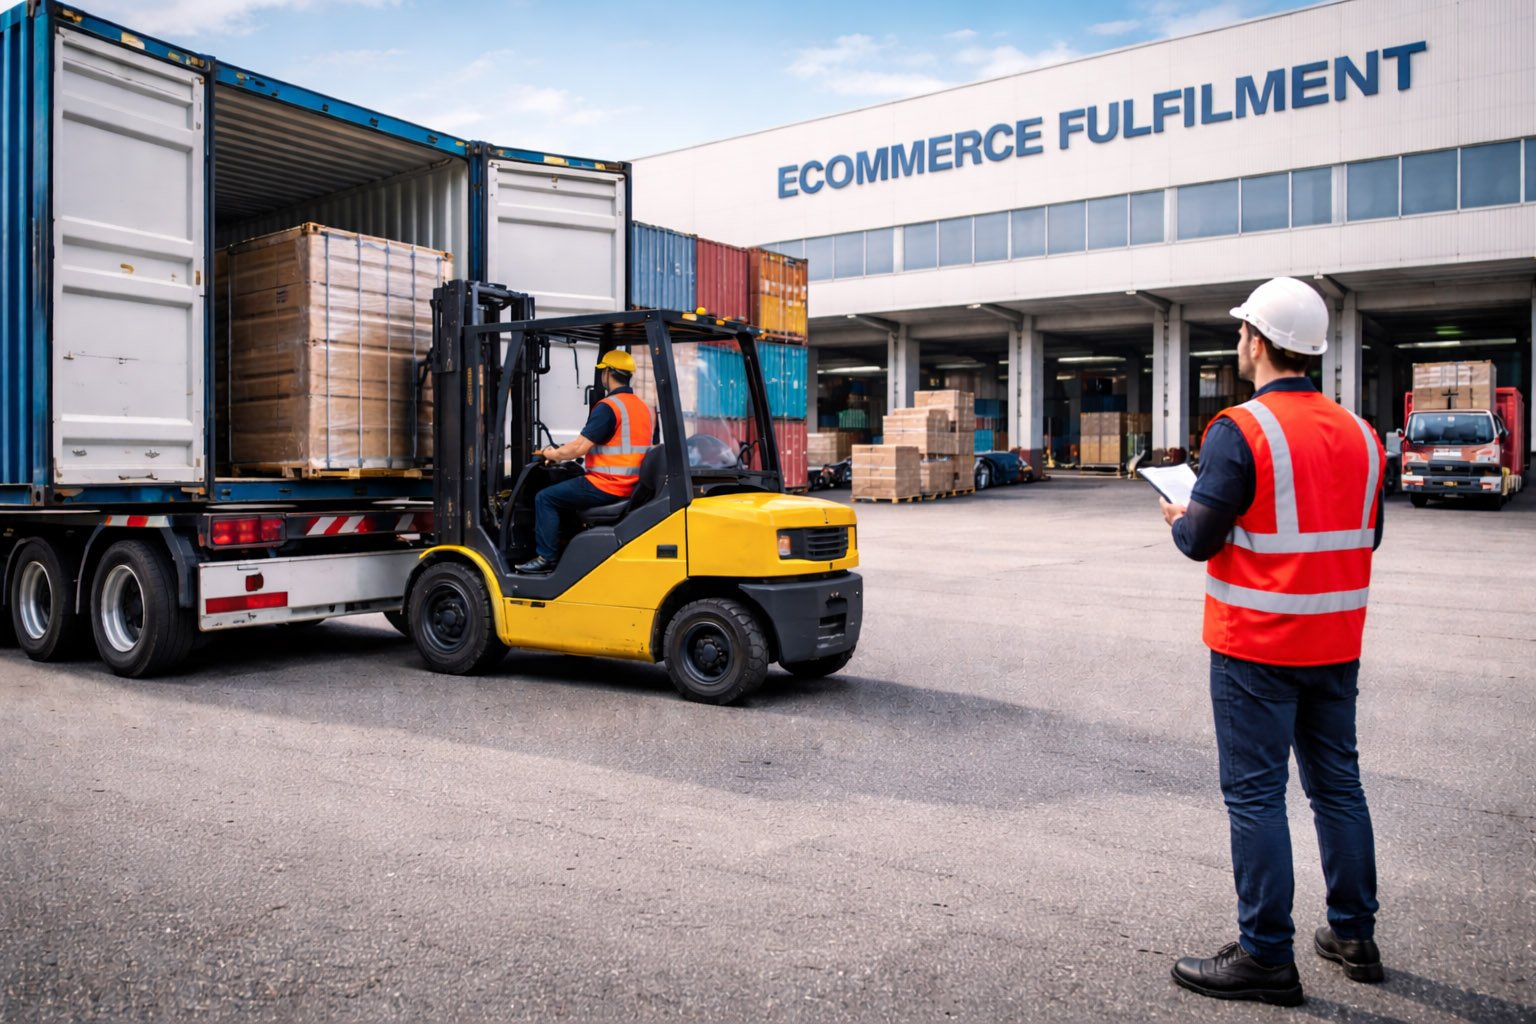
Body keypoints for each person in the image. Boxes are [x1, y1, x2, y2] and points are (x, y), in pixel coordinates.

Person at [1159, 277, 1387, 1007]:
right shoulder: (1362, 433)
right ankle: (1353, 934)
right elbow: (1368, 533)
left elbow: (1200, 539)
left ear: (1256, 341)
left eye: (1241, 332)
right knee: (1337, 788)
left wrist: (1178, 514)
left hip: (1256, 643)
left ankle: (1264, 956)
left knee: (1257, 798)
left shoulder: (1241, 429)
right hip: (1337, 642)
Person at [514, 350, 654, 574]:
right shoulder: (642, 407)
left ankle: (546, 558)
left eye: (603, 372)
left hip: (608, 484)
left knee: (545, 498)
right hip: (632, 483)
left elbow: (578, 448)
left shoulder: (609, 407)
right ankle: (566, 546)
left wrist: (550, 455)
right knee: (570, 478)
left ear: (607, 373)